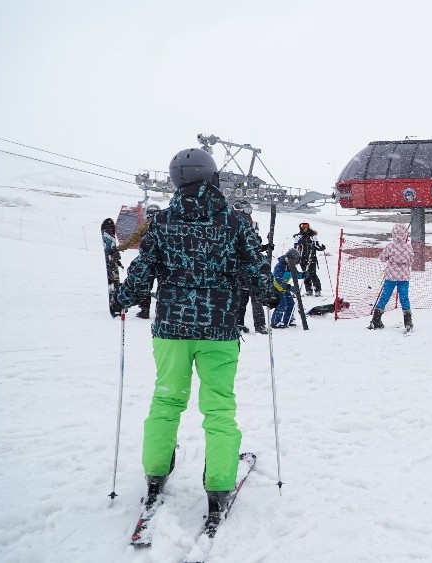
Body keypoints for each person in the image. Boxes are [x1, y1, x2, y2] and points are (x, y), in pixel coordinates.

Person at [109, 147, 278, 536]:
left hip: (171, 328)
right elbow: (255, 268)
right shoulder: (235, 223)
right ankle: (218, 482)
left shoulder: (162, 222)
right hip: (218, 329)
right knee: (218, 407)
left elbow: (142, 271)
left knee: (167, 398)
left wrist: (122, 298)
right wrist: (269, 293)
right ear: (212, 177)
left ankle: (155, 471)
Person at [116, 203, 161, 319]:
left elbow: (134, 238)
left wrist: (119, 248)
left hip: (149, 260)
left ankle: (144, 309)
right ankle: (162, 307)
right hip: (165, 260)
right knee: (164, 282)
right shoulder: (165, 225)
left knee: (144, 283)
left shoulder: (146, 225)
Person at [232, 200, 271, 334]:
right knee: (244, 294)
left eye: (249, 209)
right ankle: (240, 323)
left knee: (253, 293)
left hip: (252, 263)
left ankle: (257, 325)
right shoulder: (232, 223)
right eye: (246, 209)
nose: (248, 212)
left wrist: (264, 247)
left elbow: (253, 243)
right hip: (240, 264)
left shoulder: (253, 224)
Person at [368, 223, 414, 331]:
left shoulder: (390, 246)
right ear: (405, 235)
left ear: (393, 234)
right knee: (404, 298)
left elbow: (382, 258)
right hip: (404, 278)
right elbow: (411, 261)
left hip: (390, 278)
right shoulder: (409, 247)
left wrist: (391, 259)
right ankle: (408, 322)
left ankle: (376, 320)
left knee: (385, 297)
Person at [270, 248, 303, 329]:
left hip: (284, 288)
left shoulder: (290, 266)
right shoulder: (280, 266)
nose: (295, 264)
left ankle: (288, 320)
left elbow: (296, 274)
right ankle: (275, 322)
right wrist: (288, 287)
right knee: (282, 304)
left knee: (291, 304)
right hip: (276, 288)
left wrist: (303, 275)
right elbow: (278, 278)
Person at [293, 222, 327, 296]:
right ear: (300, 227)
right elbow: (295, 248)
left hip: (311, 258)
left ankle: (317, 290)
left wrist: (321, 248)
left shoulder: (312, 236)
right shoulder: (298, 237)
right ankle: (309, 290)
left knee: (313, 274)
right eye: (303, 225)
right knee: (305, 274)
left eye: (306, 225)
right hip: (302, 258)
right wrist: (295, 257)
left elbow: (316, 246)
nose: (304, 227)